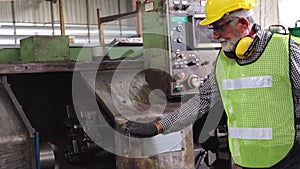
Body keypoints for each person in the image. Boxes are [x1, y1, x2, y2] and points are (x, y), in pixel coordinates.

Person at [125, 0, 300, 168]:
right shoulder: (224, 60)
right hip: (246, 159)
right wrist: (159, 126)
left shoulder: (285, 50)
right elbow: (202, 101)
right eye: (212, 28)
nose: (215, 36)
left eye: (220, 27)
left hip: (289, 158)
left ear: (243, 23)